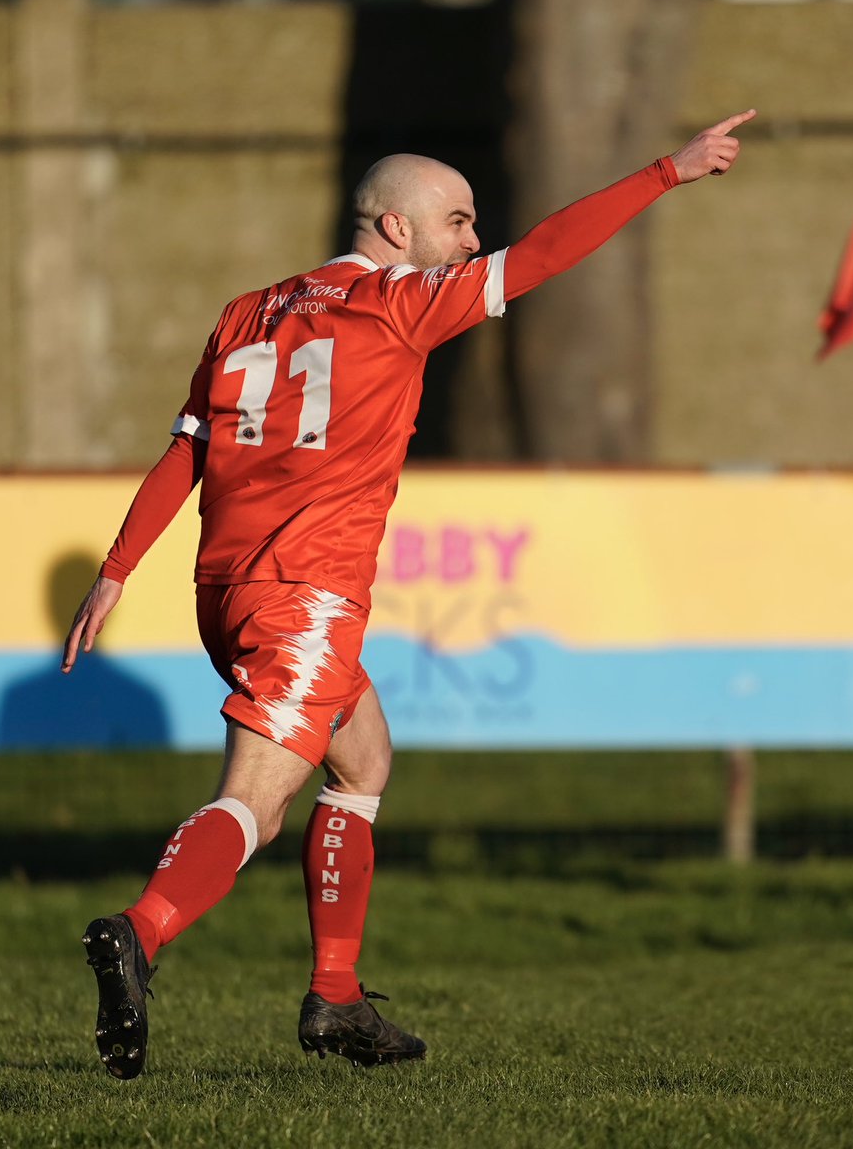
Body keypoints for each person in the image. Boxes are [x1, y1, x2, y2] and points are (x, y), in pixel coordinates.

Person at [62, 109, 755, 1078]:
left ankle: (336, 998)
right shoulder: (400, 303)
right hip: (304, 592)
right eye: (460, 221)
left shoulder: (247, 309)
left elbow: (189, 450)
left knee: (363, 762)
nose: (473, 242)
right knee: (256, 803)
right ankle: (140, 930)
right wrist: (664, 174)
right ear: (395, 228)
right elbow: (549, 251)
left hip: (224, 589)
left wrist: (117, 569)